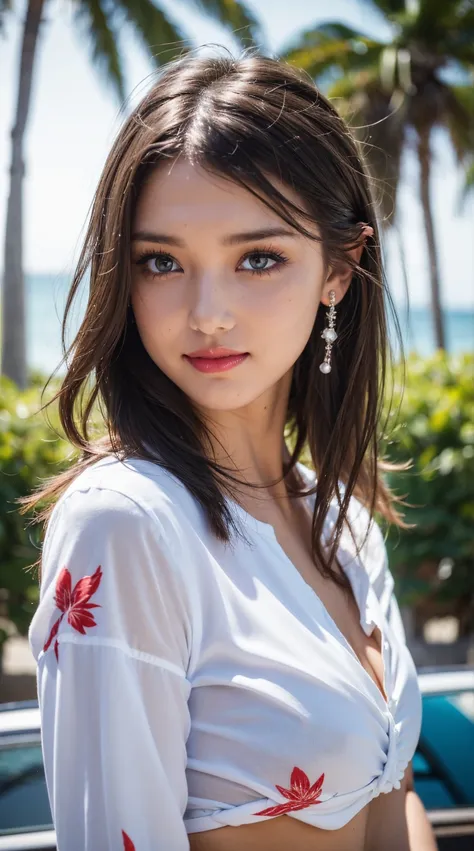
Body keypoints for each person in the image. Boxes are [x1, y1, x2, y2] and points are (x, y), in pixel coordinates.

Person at [26, 48, 437, 851]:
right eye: (162, 261)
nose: (207, 312)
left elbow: (397, 797)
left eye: (258, 258)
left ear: (339, 270)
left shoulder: (343, 519)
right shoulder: (127, 523)